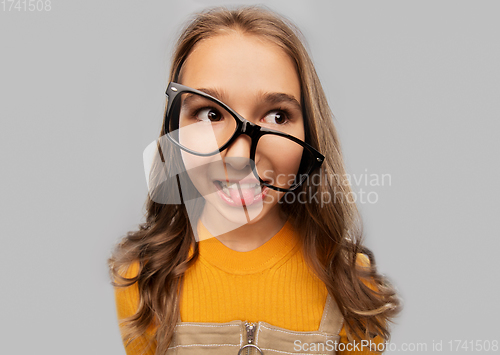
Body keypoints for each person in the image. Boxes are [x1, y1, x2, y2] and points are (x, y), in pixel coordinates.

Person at [109, 5, 400, 355]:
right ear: (174, 129)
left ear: (311, 133)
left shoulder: (355, 286)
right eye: (209, 113)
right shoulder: (139, 280)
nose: (239, 157)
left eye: (278, 116)